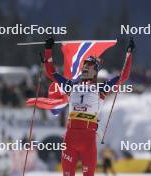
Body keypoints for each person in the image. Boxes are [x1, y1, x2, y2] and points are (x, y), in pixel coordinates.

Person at [42, 37, 134, 176]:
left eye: (89, 66)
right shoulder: (71, 85)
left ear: (95, 71)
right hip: (70, 138)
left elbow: (123, 77)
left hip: (88, 140)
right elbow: (51, 73)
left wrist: (129, 54)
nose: (85, 67)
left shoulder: (101, 88)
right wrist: (48, 50)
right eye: (84, 65)